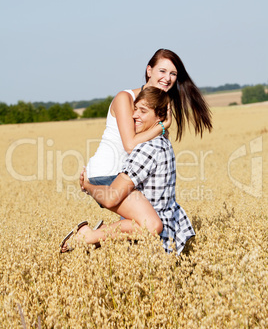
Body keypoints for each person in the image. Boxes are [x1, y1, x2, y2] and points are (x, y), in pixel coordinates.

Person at [85, 48, 212, 234]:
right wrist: (161, 127)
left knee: (141, 230)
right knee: (150, 225)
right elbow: (130, 144)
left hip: (128, 176)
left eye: (173, 74)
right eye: (162, 71)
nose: (167, 78)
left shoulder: (158, 106)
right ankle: (87, 236)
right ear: (149, 71)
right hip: (106, 175)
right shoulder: (125, 98)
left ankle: (100, 236)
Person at [60, 87, 198, 255]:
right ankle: (95, 235)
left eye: (143, 111)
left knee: (146, 226)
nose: (134, 115)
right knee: (148, 226)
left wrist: (87, 186)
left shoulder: (149, 147)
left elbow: (111, 198)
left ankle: (93, 235)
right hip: (165, 225)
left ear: (160, 116)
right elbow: (114, 197)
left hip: (156, 234)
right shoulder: (160, 143)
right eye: (135, 110)